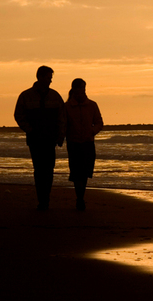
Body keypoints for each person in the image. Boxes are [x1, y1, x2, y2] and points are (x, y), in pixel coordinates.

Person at [14, 65, 66, 210]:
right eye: (49, 78)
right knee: (39, 170)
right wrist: (30, 130)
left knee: (49, 170)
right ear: (40, 77)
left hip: (50, 139)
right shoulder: (26, 96)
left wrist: (60, 136)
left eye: (51, 78)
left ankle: (45, 199)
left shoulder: (55, 96)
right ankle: (42, 199)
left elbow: (62, 117)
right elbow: (19, 115)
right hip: (35, 140)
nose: (50, 81)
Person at [65, 78, 103, 211]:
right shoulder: (67, 107)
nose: (82, 91)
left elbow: (99, 122)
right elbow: (63, 125)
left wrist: (92, 131)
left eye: (83, 88)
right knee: (76, 173)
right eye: (80, 88)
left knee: (85, 173)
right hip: (74, 144)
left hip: (88, 143)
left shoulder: (92, 105)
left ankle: (81, 197)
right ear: (74, 90)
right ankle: (79, 198)